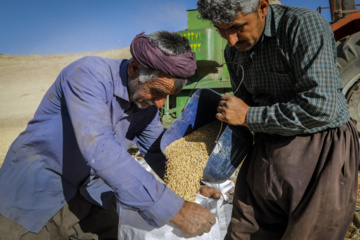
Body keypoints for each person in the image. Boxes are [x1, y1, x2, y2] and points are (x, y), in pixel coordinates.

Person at [0, 31, 220, 239]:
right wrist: (176, 210)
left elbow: (156, 152)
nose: (160, 103)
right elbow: (99, 148)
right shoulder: (88, 75)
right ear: (135, 68)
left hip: (90, 195)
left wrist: (193, 186)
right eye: (157, 91)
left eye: (167, 96)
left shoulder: (146, 107)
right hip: (35, 192)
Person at [197, 0, 359, 239]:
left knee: (307, 234)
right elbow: (241, 111)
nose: (230, 39)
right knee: (244, 232)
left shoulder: (301, 25)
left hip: (320, 148)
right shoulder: (233, 51)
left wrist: (248, 115)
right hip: (267, 149)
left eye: (238, 27)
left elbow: (322, 107)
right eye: (221, 29)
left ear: (262, 7)